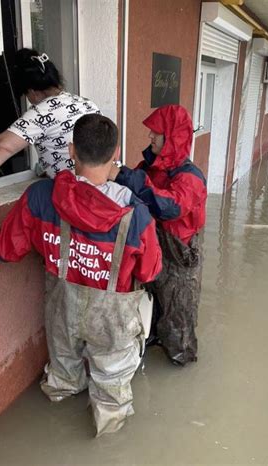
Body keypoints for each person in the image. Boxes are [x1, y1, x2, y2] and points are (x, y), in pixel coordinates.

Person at [0, 114, 162, 436]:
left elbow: (6, 250)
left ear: (71, 151)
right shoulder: (136, 214)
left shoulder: (41, 197)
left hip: (62, 310)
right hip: (113, 319)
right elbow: (150, 270)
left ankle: (54, 426)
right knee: (111, 389)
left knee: (62, 376)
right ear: (115, 155)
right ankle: (108, 439)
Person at [109, 104, 207, 366]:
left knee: (179, 311)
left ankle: (181, 359)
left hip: (180, 255)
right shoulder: (149, 167)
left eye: (156, 133)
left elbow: (170, 207)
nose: (150, 137)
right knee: (152, 298)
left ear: (172, 137)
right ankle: (153, 339)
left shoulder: (191, 177)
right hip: (153, 249)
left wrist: (125, 177)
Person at [0, 48, 100, 193]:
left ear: (32, 91)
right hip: (108, 187)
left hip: (81, 195)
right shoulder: (84, 102)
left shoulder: (42, 112)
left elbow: (1, 146)